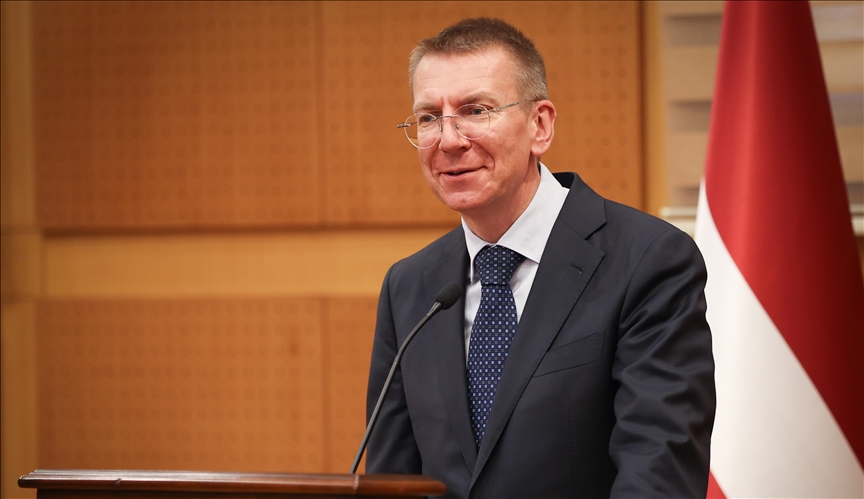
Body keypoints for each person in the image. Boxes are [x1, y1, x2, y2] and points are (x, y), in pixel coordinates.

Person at [365, 17, 715, 498]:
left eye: (475, 110)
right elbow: (391, 481)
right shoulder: (410, 286)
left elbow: (659, 473)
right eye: (428, 117)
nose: (448, 140)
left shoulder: (648, 260)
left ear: (540, 125)